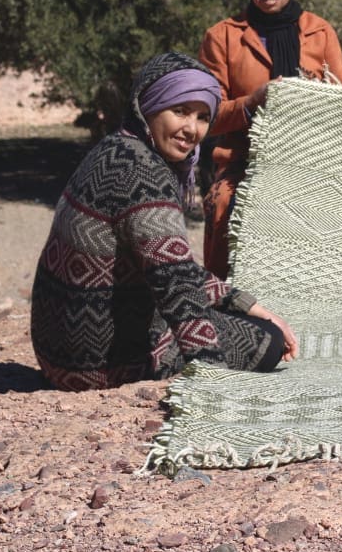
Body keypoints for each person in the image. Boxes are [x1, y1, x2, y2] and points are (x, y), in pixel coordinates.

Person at [31, 52, 299, 391]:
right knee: (268, 339)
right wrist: (211, 376)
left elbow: (172, 264)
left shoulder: (114, 149)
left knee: (243, 317)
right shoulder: (145, 174)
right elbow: (175, 284)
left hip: (57, 353)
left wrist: (247, 303)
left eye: (203, 117)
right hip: (100, 365)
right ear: (151, 105)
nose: (192, 129)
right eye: (180, 111)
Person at [199, 0, 342, 278]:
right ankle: (221, 302)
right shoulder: (222, 36)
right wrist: (252, 102)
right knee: (224, 204)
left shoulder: (319, 32)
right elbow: (208, 115)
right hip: (243, 160)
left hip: (311, 160)